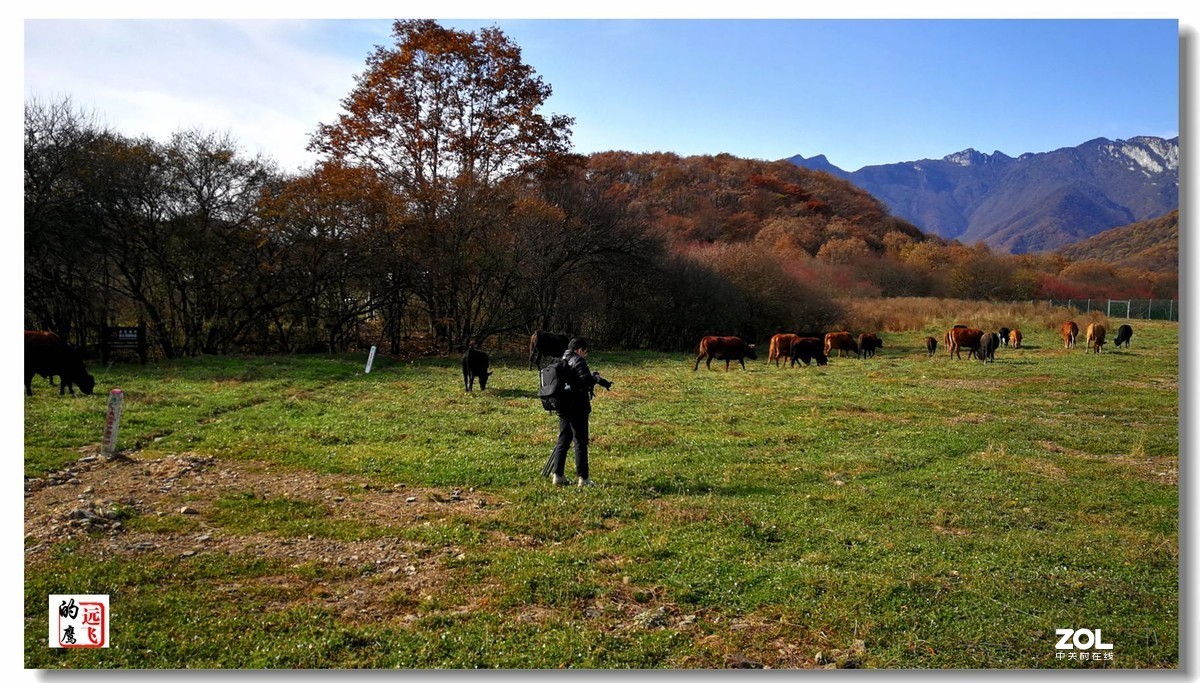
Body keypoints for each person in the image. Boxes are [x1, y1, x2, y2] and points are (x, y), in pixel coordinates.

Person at [548, 337, 611, 487]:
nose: (585, 355)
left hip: (562, 405)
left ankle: (558, 476)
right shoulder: (578, 360)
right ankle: (583, 478)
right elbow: (586, 380)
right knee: (580, 442)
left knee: (563, 440)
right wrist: (595, 378)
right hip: (577, 407)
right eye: (585, 352)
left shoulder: (560, 360)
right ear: (579, 350)